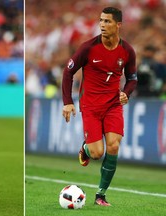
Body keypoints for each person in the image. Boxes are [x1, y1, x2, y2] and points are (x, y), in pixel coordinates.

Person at [62, 7, 137, 206]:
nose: (102, 25)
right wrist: (68, 102)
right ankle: (86, 149)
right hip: (91, 106)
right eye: (101, 21)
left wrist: (125, 93)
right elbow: (68, 73)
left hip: (113, 105)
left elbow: (132, 79)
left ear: (118, 25)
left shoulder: (127, 51)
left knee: (113, 146)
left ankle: (100, 195)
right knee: (97, 153)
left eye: (107, 21)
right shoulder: (88, 48)